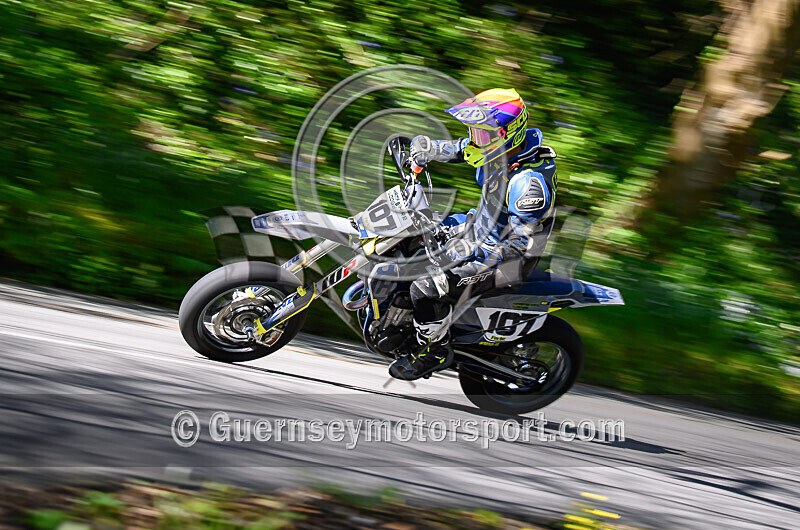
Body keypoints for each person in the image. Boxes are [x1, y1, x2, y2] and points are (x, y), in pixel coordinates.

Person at [389, 88, 558, 380]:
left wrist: (467, 249)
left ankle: (433, 350)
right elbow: (458, 148)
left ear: (506, 133)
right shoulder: (501, 150)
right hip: (480, 228)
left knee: (428, 286)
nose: (474, 138)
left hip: (504, 260)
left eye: (481, 132)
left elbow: (520, 245)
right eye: (475, 131)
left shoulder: (527, 185)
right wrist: (423, 149)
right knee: (408, 234)